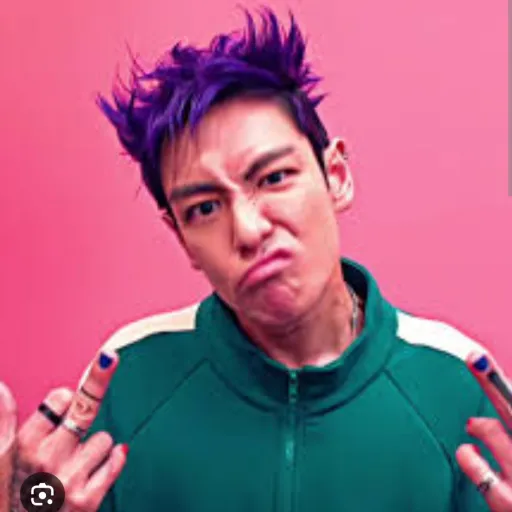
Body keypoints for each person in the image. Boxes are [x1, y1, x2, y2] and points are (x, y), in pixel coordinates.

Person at [3, 8, 512, 511]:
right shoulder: (130, 374)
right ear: (181, 237)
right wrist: (27, 504)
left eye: (274, 178)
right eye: (204, 208)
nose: (248, 230)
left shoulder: (458, 380)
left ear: (336, 176)